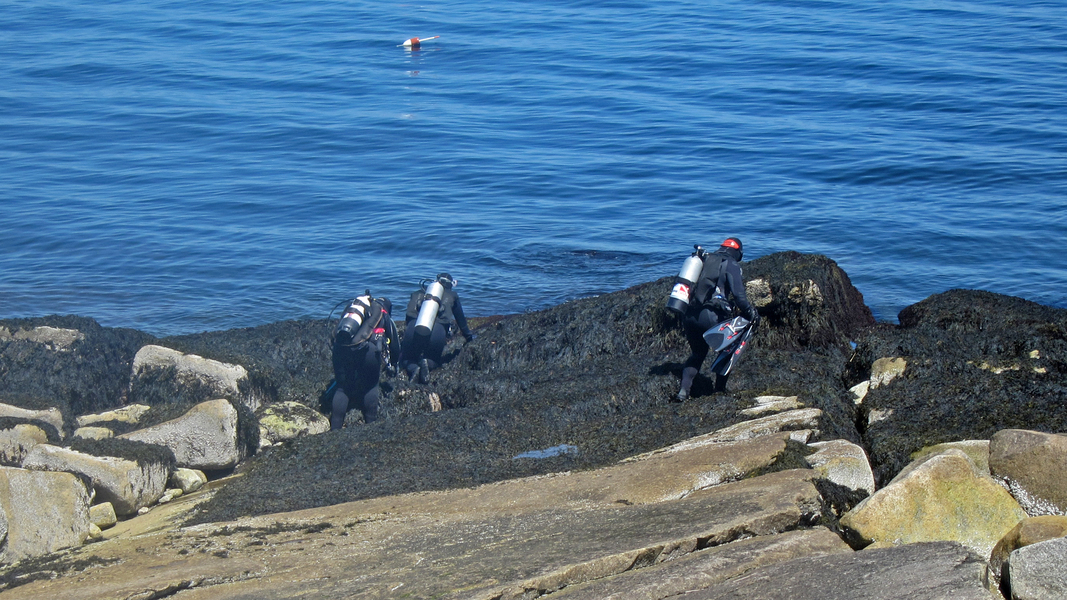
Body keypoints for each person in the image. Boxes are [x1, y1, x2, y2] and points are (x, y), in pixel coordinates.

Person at [676, 237, 760, 401]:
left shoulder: (704, 259)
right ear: (738, 252)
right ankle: (719, 390)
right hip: (711, 316)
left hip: (689, 315)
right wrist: (751, 312)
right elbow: (739, 296)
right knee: (728, 351)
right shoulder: (731, 264)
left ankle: (683, 392)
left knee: (697, 353)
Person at [328, 295, 399, 430]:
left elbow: (335, 334)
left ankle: (335, 429)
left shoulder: (352, 310)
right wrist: (394, 364)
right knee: (370, 386)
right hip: (369, 351)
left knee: (342, 388)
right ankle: (370, 426)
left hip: (341, 348)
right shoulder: (383, 314)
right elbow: (395, 345)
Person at [401, 273, 476, 383]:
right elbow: (461, 321)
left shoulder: (416, 293)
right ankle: (427, 363)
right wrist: (469, 337)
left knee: (407, 359)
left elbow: (408, 317)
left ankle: (414, 368)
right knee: (435, 360)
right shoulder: (452, 295)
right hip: (437, 331)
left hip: (414, 328)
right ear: (450, 285)